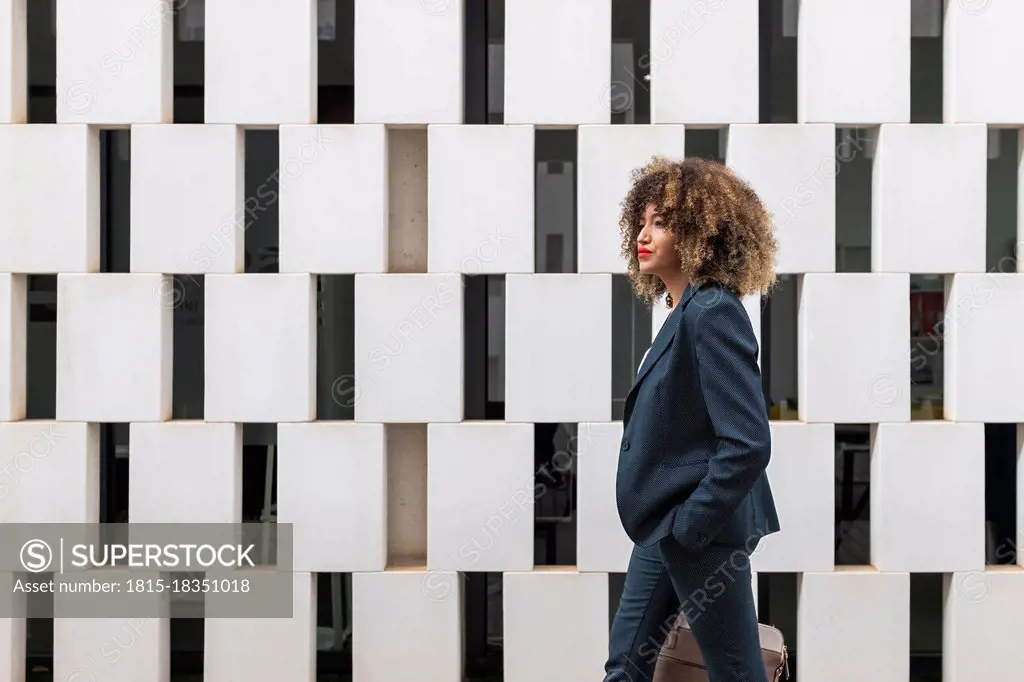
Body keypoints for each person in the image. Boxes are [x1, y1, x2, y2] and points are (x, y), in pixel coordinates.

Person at [605, 155, 781, 682]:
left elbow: (747, 440)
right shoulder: (682, 312)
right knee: (624, 668)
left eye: (661, 222)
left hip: (700, 536)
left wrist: (691, 526)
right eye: (642, 221)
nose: (644, 234)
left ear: (700, 232)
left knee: (737, 675)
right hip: (662, 528)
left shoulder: (713, 311)